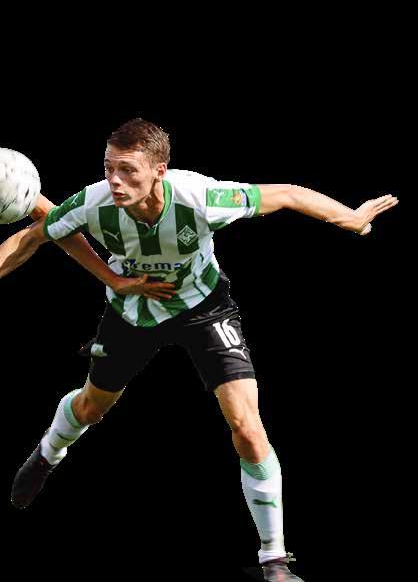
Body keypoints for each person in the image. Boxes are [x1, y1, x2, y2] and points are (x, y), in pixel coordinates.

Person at [0, 119, 398, 582]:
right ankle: (47, 454)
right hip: (133, 312)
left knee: (247, 426)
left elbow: (287, 193)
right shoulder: (94, 202)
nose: (115, 180)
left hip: (204, 308)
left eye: (128, 170)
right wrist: (112, 280)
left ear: (159, 171)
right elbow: (33, 236)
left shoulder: (200, 197)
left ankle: (274, 557)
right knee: (91, 408)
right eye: (109, 168)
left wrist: (350, 217)